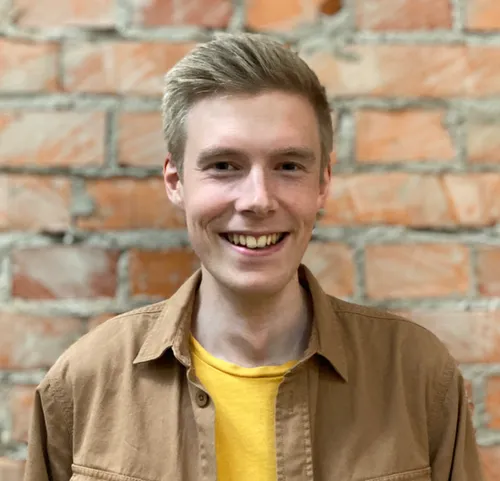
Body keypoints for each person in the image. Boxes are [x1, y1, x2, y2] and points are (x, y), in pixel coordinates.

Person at [24, 33, 484, 481]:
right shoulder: (84, 383)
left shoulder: (417, 376)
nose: (258, 200)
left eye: (288, 166)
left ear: (322, 182)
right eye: (224, 166)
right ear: (175, 181)